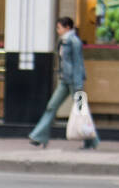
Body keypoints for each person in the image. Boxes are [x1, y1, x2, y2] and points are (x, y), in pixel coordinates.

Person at [28, 17, 100, 149]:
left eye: (59, 27)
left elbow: (78, 63)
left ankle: (91, 140)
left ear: (67, 28)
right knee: (52, 106)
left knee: (81, 109)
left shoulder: (74, 42)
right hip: (65, 80)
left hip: (74, 81)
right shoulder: (64, 41)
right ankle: (39, 136)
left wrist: (78, 84)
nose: (57, 30)